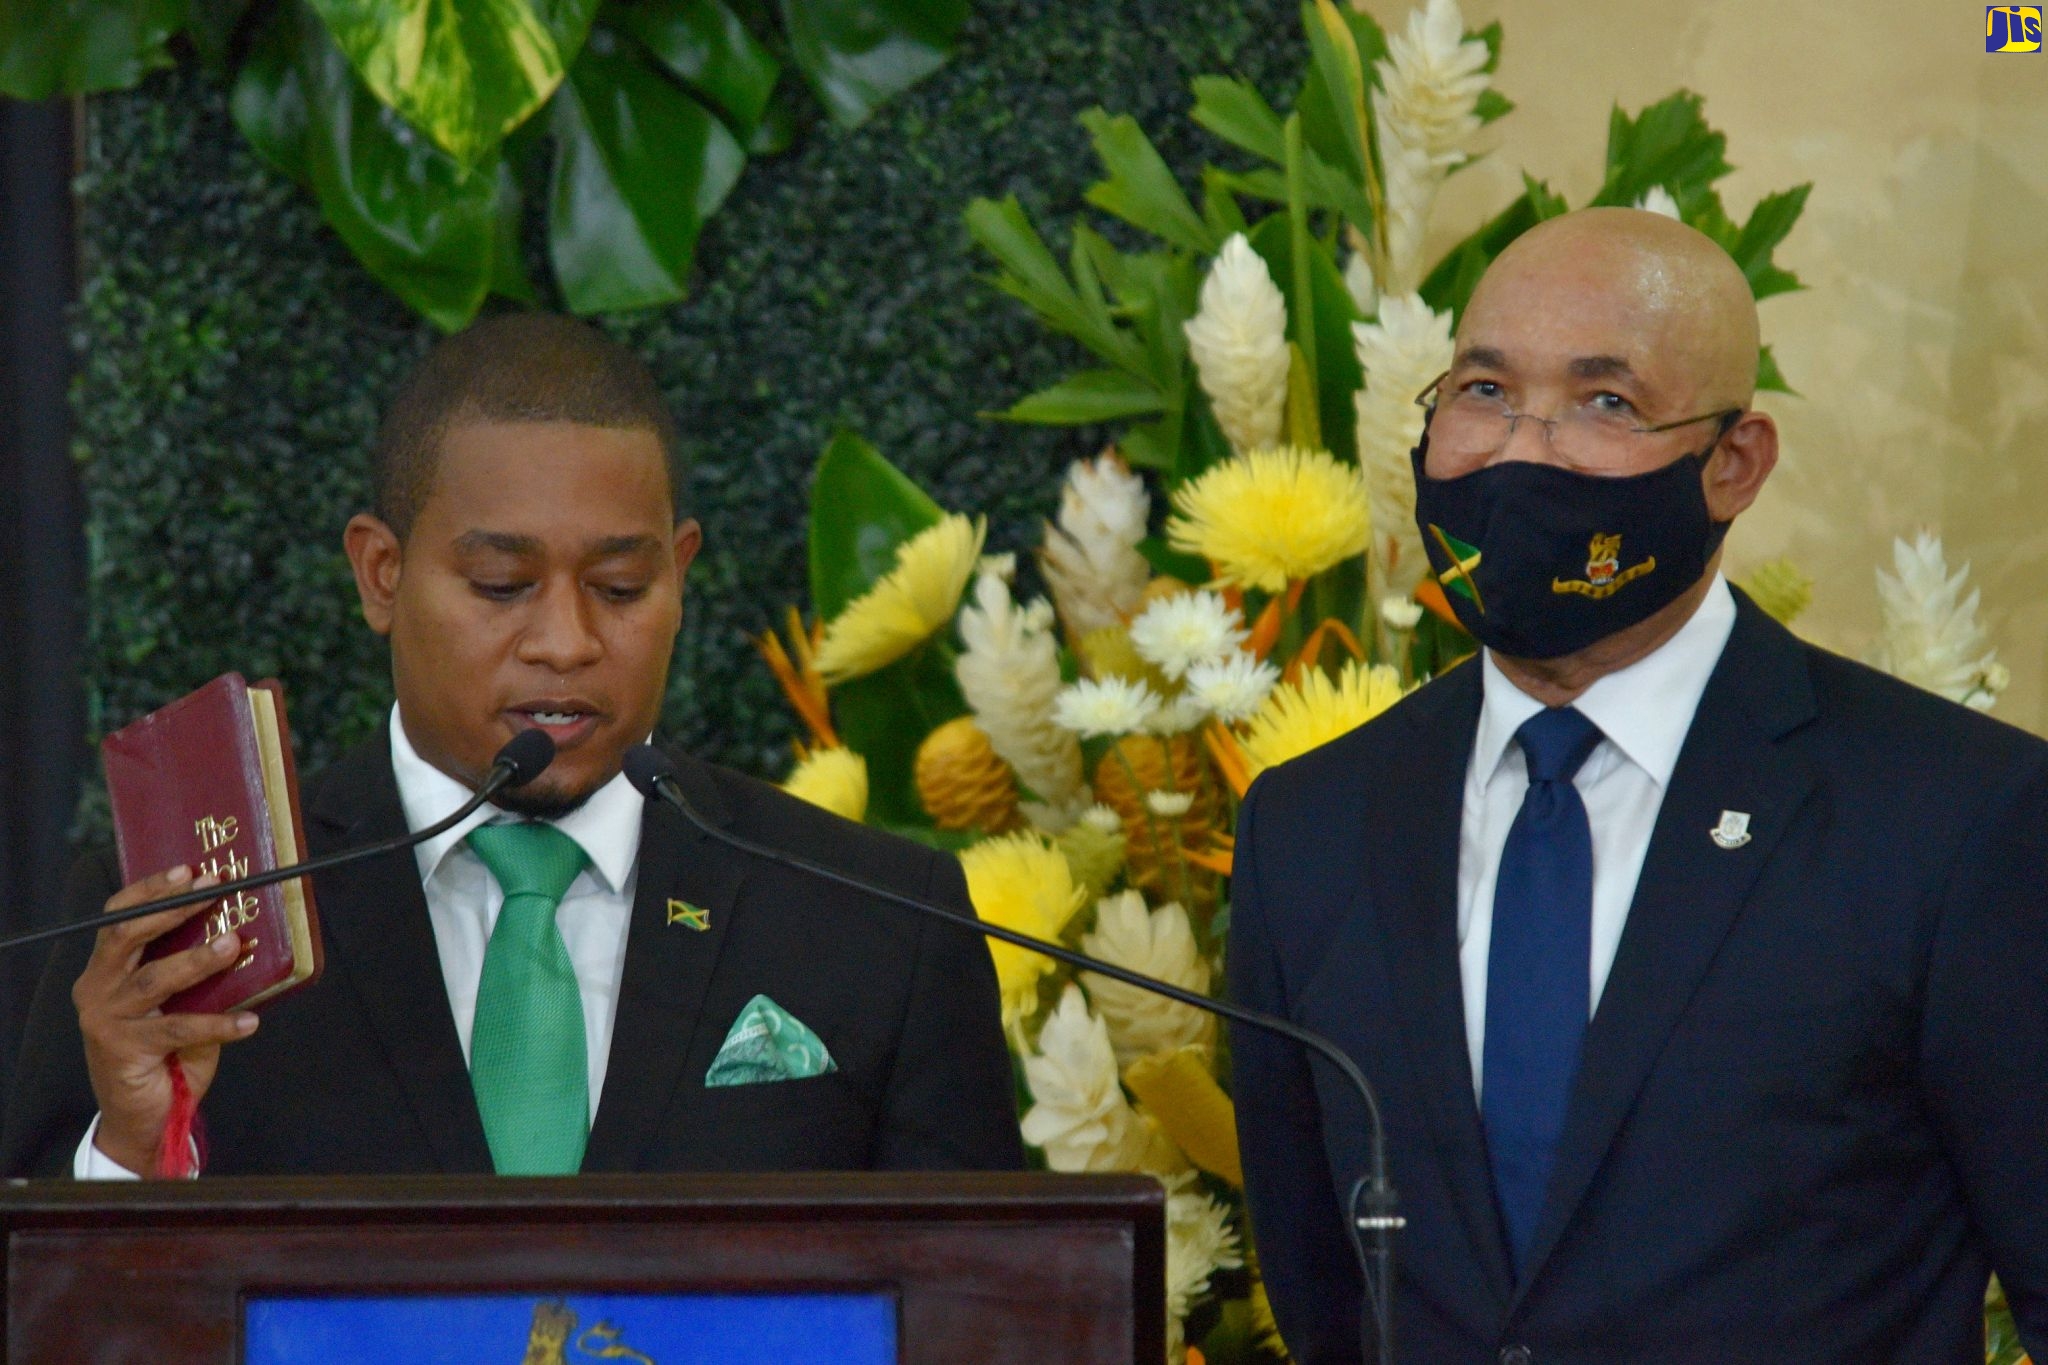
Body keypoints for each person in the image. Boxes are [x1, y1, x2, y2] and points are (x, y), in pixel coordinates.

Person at [1227, 209, 2046, 1363]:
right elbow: (1321, 1292)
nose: (1518, 449)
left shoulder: (1958, 817)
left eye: (1603, 403)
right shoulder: (1306, 824)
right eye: (1481, 391)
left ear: (1731, 463)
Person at [3, 313, 1023, 1179]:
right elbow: (52, 1307)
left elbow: (982, 1307)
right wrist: (134, 1147)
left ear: (679, 575)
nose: (568, 642)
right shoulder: (187, 929)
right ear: (381, 574)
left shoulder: (877, 922)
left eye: (621, 589)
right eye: (501, 586)